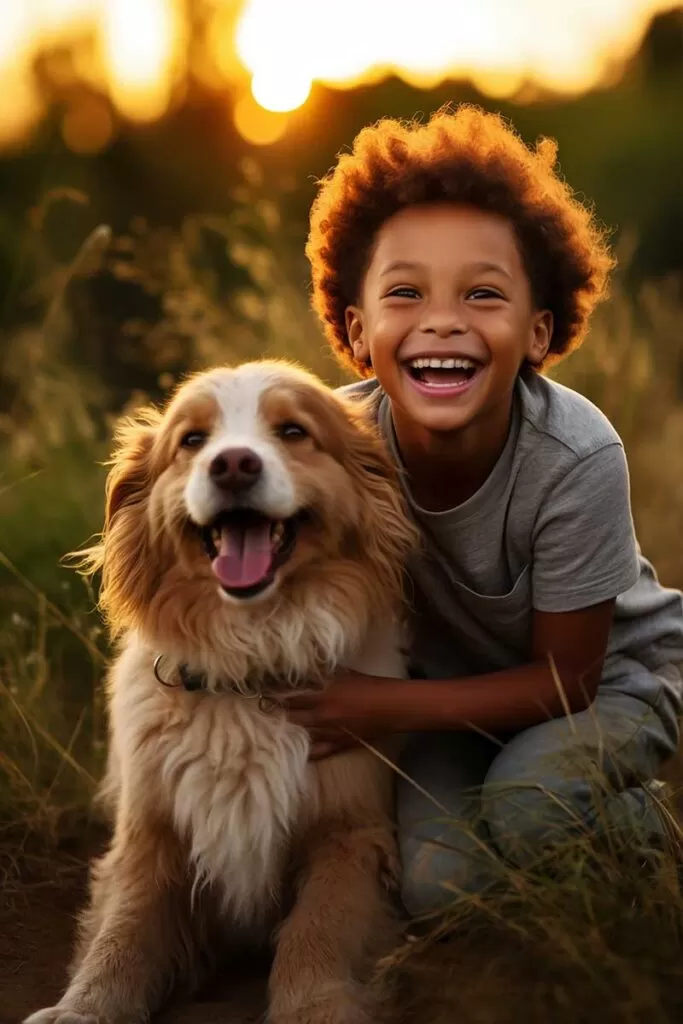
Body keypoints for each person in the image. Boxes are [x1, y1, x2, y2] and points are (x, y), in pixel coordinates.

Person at [284, 105, 683, 918]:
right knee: (439, 889)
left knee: (529, 811)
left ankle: (647, 835)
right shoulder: (333, 446)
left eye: (482, 293)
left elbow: (567, 679)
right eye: (405, 292)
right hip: (450, 702)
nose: (442, 319)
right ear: (356, 331)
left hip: (608, 685)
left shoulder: (574, 454)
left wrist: (380, 707)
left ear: (537, 332)